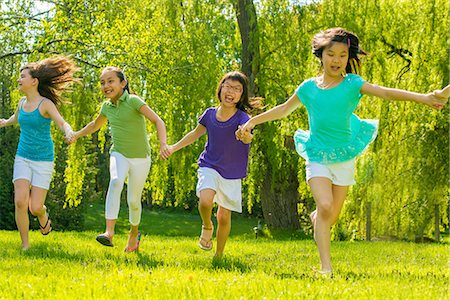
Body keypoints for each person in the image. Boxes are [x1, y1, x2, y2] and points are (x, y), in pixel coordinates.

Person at [236, 27, 448, 274]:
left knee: (329, 217)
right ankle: (326, 268)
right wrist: (252, 121)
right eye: (331, 54)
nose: (337, 60)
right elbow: (283, 109)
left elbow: (387, 94)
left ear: (349, 58)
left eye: (343, 55)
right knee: (325, 206)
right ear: (321, 55)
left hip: (344, 155)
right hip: (316, 154)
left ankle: (318, 221)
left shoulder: (352, 84)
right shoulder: (308, 88)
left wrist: (425, 97)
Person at [69, 66, 169, 252]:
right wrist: (76, 134)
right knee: (115, 182)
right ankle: (109, 232)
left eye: (110, 81)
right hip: (119, 153)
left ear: (123, 83)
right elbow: (94, 126)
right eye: (102, 83)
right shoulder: (106, 107)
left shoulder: (133, 101)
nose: (106, 85)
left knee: (133, 200)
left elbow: (158, 121)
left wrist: (163, 144)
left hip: (141, 158)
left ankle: (134, 233)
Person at [163, 71, 260, 258]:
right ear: (220, 88)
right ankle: (207, 226)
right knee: (205, 201)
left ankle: (219, 255)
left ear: (241, 95)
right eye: (228, 86)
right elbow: (194, 134)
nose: (231, 91)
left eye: (237, 89)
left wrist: (245, 135)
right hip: (209, 165)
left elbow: (248, 136)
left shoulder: (243, 118)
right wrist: (173, 147)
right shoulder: (209, 114)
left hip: (232, 172)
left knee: (224, 217)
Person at [0, 56, 78, 250]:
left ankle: (43, 216)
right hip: (23, 157)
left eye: (22, 76)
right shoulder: (21, 103)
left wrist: (68, 132)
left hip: (43, 160)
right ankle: (25, 245)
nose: (19, 80)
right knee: (20, 201)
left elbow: (61, 122)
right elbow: (16, 118)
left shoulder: (45, 104)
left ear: (34, 81)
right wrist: (5, 122)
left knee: (34, 208)